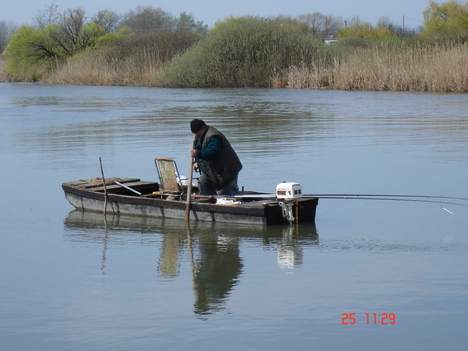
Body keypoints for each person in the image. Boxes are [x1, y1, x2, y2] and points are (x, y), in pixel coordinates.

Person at [189, 119, 242, 196]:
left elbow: (213, 153)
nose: (195, 134)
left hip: (225, 171)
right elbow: (199, 149)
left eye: (196, 132)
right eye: (194, 132)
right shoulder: (199, 136)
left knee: (224, 195)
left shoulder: (213, 136)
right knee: (203, 184)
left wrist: (198, 153)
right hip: (210, 170)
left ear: (203, 127)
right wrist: (196, 162)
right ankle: (206, 205)